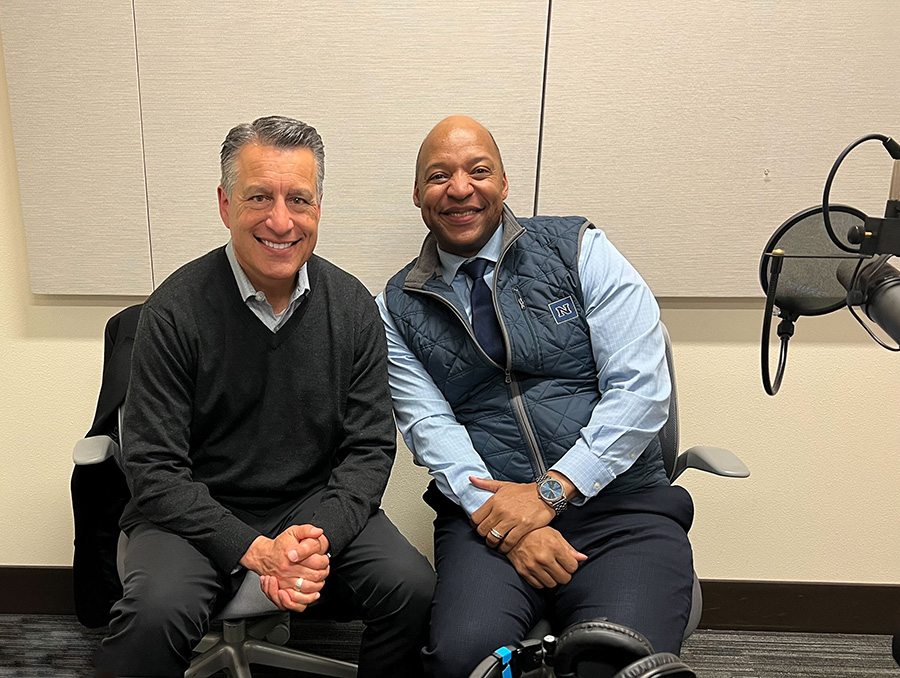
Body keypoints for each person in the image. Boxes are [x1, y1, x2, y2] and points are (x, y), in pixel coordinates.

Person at [96, 115, 435, 678]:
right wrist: (254, 549)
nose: (281, 220)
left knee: (413, 588)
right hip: (193, 510)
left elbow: (369, 450)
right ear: (226, 204)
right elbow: (154, 469)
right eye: (259, 197)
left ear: (319, 208)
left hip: (310, 505)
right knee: (153, 617)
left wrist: (315, 537)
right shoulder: (173, 311)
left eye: (299, 199)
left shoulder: (352, 309)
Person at [377, 115, 695, 678]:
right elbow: (430, 428)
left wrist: (550, 493)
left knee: (613, 662)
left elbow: (642, 390)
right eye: (438, 175)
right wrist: (506, 521)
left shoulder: (579, 248)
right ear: (418, 195)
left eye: (479, 170)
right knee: (459, 662)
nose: (459, 189)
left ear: (504, 182)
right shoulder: (396, 306)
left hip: (619, 508)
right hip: (488, 521)